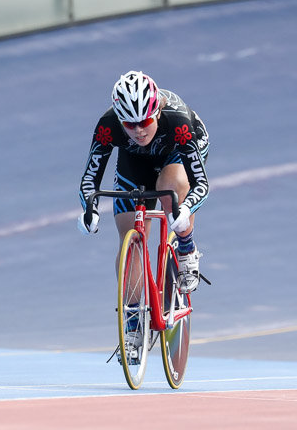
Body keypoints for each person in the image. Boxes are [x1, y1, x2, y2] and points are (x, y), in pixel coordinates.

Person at [78, 71, 210, 294]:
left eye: (145, 121)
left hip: (178, 151)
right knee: (130, 237)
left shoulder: (178, 121)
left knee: (168, 187)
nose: (139, 131)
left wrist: (185, 209)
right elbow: (90, 177)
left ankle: (186, 249)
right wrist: (89, 209)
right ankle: (133, 320)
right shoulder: (107, 126)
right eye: (130, 125)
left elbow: (201, 184)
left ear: (157, 112)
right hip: (136, 160)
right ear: (120, 120)